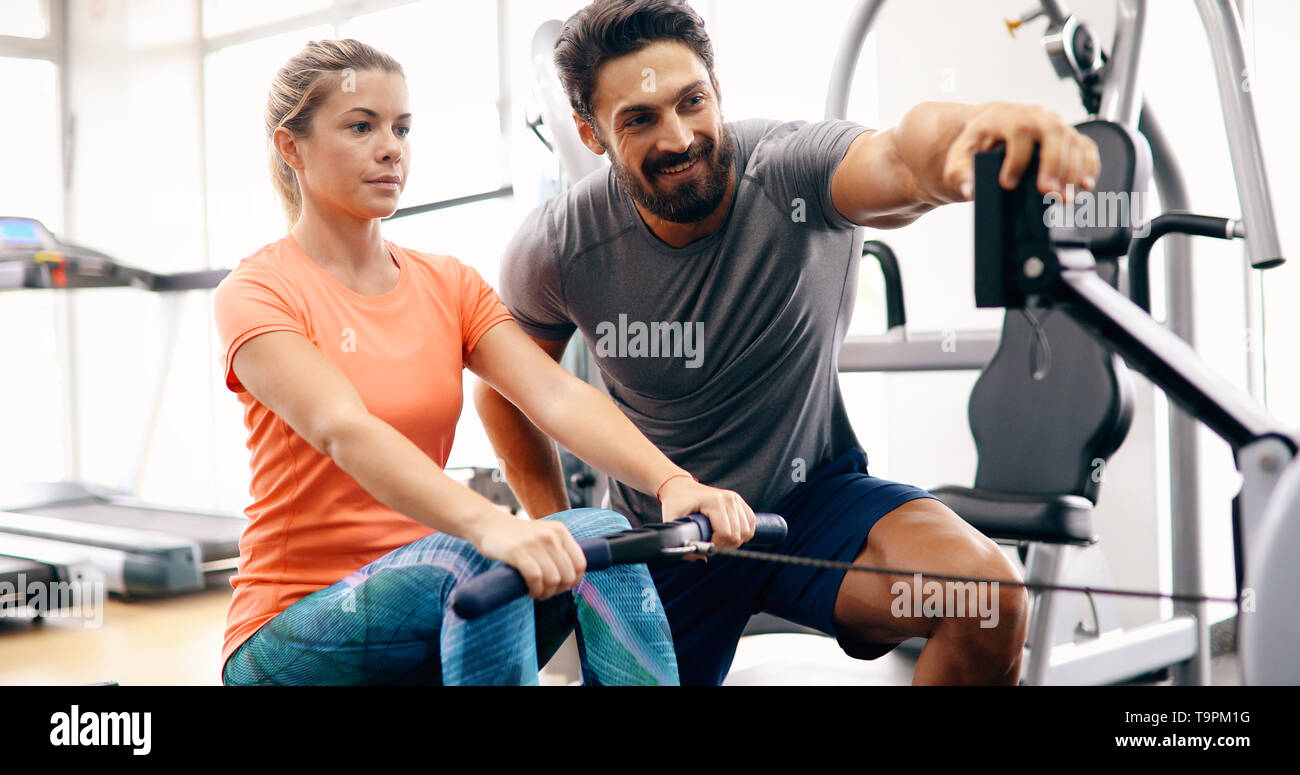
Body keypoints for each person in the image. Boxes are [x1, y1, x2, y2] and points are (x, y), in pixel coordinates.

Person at [475, 0, 1102, 686]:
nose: (680, 137)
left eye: (692, 101)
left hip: (810, 505)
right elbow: (503, 386)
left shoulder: (788, 169)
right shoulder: (559, 245)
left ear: (717, 91)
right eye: (640, 119)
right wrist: (560, 525)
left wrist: (971, 140)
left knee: (983, 596)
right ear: (591, 134)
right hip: (669, 537)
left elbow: (898, 157)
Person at [213, 38, 758, 686]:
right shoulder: (257, 291)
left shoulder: (447, 283)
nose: (391, 147)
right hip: (290, 630)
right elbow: (344, 428)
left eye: (402, 128)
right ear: (291, 147)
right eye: (361, 126)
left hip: (453, 597)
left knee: (601, 533)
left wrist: (674, 484)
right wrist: (496, 526)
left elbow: (555, 395)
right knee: (483, 563)